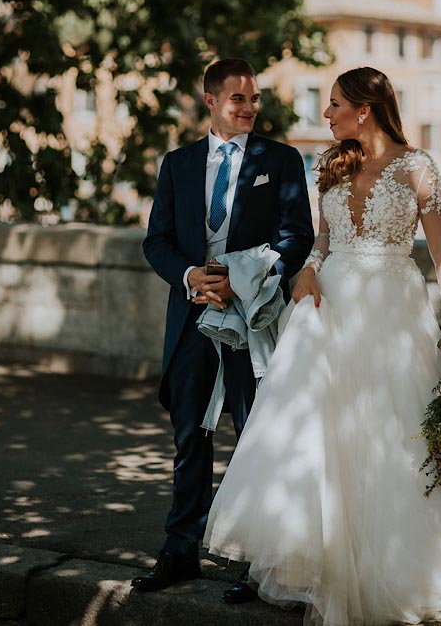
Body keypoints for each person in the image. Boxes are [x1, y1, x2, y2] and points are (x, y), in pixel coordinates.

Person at [202, 66, 441, 625]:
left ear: (364, 110)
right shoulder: (329, 163)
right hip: (329, 304)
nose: (326, 115)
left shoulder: (418, 167)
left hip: (393, 306)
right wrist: (309, 270)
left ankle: (409, 565)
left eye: (335, 105)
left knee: (394, 432)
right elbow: (323, 240)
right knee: (320, 431)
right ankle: (321, 561)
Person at [136, 58, 315, 597]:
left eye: (254, 98)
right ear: (211, 100)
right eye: (238, 99)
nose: (250, 108)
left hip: (251, 316)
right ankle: (179, 551)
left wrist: (246, 279)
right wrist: (192, 276)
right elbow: (156, 241)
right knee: (191, 435)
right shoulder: (178, 164)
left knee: (256, 434)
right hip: (192, 316)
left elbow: (297, 236)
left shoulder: (280, 160)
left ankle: (258, 561)